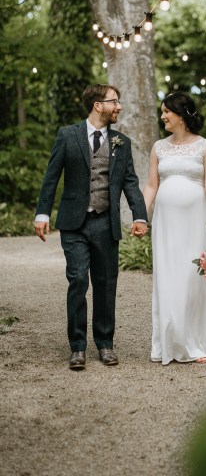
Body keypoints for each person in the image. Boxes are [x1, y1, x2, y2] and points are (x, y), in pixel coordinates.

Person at [34, 84, 148, 370]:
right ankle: (77, 347)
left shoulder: (121, 141)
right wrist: (42, 213)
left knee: (106, 284)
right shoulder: (67, 135)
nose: (119, 106)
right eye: (114, 101)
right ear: (98, 105)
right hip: (74, 223)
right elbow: (51, 176)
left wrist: (139, 215)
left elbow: (130, 182)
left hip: (105, 222)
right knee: (78, 281)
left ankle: (106, 344)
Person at [143, 91, 206, 365]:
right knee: (168, 278)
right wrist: (142, 217)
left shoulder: (205, 146)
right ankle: (167, 342)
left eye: (166, 111)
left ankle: (193, 343)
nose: (162, 116)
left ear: (182, 114)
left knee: (192, 277)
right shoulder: (158, 147)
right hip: (165, 224)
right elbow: (152, 185)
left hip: (195, 222)